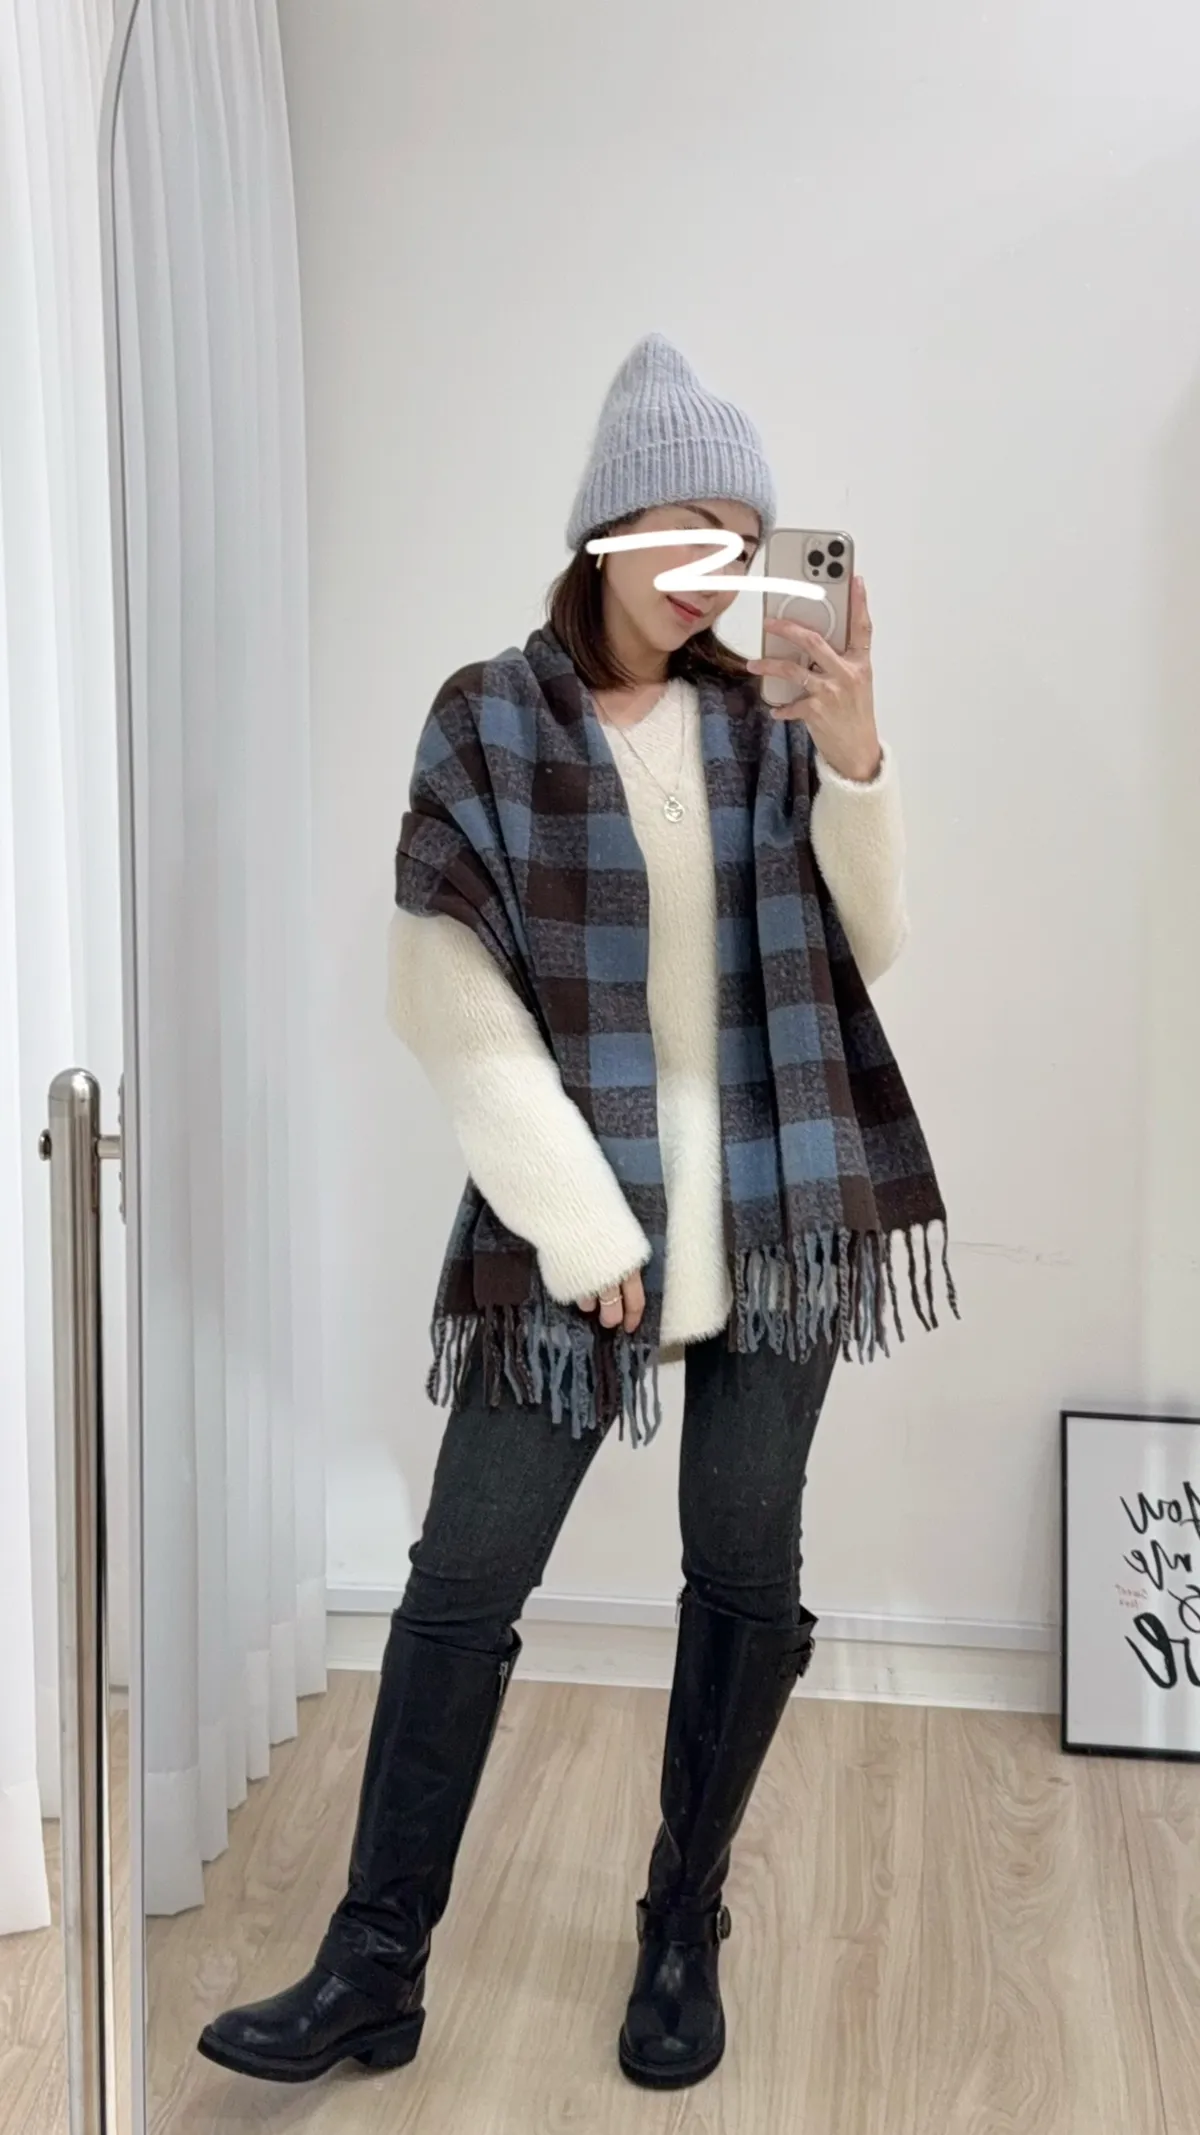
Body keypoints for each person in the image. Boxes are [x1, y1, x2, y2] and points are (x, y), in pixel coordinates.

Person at [198, 332, 956, 2092]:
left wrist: (856, 752)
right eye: (688, 524)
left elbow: (872, 948)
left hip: (778, 1207)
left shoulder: (765, 725)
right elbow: (443, 991)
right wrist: (581, 1223)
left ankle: (684, 1920)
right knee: (462, 1579)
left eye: (745, 538)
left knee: (745, 1570)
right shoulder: (488, 716)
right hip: (578, 1217)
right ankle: (373, 1963)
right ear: (609, 524)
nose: (716, 565)